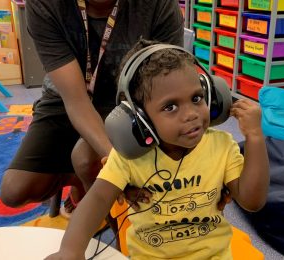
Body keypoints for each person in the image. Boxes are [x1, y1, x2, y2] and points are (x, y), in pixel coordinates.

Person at [45, 40, 270, 259]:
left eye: (197, 98)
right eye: (170, 106)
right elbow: (96, 201)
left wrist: (255, 137)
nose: (191, 113)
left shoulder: (221, 145)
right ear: (140, 118)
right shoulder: (128, 158)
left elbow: (252, 201)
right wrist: (70, 251)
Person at [0, 0, 184, 218]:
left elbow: (168, 91)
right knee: (14, 190)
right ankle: (77, 179)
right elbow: (76, 101)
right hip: (67, 96)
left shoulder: (158, 5)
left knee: (87, 159)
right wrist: (121, 167)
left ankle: (94, 196)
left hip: (127, 101)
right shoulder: (44, 4)